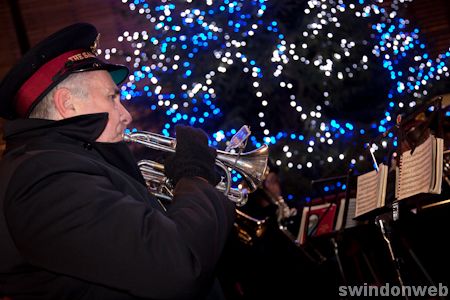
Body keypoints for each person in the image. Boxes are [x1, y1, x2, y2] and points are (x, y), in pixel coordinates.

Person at [0, 23, 235, 299]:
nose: (126, 115)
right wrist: (194, 176)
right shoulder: (42, 179)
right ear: (68, 104)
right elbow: (178, 265)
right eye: (112, 97)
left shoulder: (62, 165)